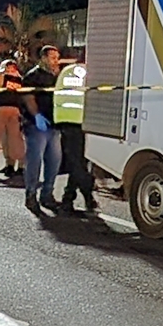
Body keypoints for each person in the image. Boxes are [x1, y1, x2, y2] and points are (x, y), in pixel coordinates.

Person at [20, 43, 63, 214]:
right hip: (36, 124)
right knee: (35, 160)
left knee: (54, 161)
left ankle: (47, 194)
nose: (55, 61)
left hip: (54, 125)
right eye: (52, 58)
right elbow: (28, 97)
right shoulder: (33, 76)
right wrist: (36, 115)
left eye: (57, 58)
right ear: (43, 58)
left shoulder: (58, 77)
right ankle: (31, 194)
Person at [53, 51, 97, 213]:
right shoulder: (91, 73)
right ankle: (87, 192)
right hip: (82, 121)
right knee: (79, 163)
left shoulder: (66, 71)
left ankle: (69, 199)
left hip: (66, 120)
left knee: (77, 161)